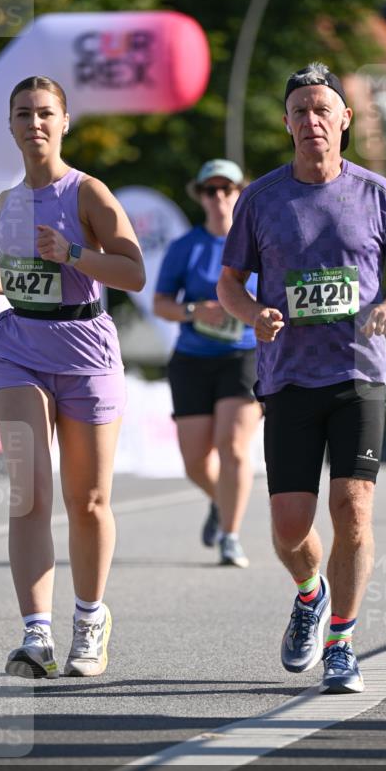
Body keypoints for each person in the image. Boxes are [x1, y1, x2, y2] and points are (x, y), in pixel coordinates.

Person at [218, 63, 386, 693]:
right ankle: (309, 593)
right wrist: (252, 314)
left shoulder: (376, 194)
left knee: (353, 508)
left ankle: (342, 640)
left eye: (323, 110)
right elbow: (229, 283)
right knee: (290, 528)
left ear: (344, 119)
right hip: (288, 377)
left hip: (358, 374)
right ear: (286, 124)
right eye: (300, 111)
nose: (312, 121)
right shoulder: (261, 199)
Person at [0, 76, 145, 679]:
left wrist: (73, 254)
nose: (34, 124)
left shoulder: (88, 193)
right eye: (22, 115)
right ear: (9, 127)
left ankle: (89, 621)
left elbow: (134, 272)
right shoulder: (5, 204)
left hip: (85, 347)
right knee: (30, 491)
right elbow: (9, 280)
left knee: (86, 501)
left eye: (44, 114)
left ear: (65, 123)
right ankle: (35, 636)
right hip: (18, 349)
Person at [153, 160, 261, 568]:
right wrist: (196, 310)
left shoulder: (257, 241)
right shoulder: (186, 247)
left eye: (227, 188)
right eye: (210, 190)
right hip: (193, 359)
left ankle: (230, 537)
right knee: (196, 463)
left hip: (245, 354)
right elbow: (161, 303)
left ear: (240, 192)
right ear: (199, 195)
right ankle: (221, 501)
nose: (219, 197)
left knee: (233, 446)